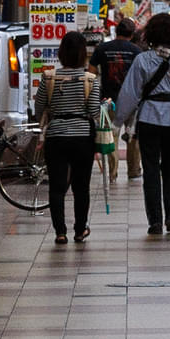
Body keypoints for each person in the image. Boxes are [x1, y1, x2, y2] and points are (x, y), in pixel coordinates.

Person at [122, 13, 170, 236]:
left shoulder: (142, 60)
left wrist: (119, 121)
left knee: (151, 168)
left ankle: (155, 220)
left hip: (149, 118)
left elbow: (130, 93)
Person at [35, 30, 103, 244]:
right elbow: (94, 110)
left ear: (61, 53)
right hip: (82, 136)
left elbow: (39, 108)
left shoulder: (48, 78)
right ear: (84, 54)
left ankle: (60, 232)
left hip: (55, 136)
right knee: (81, 186)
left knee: (56, 186)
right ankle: (80, 229)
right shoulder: (91, 80)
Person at [97, 18, 143, 178]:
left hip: (109, 102)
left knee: (110, 137)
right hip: (132, 102)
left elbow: (90, 72)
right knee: (133, 137)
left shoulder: (102, 48)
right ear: (131, 34)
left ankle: (112, 173)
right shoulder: (137, 51)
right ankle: (133, 170)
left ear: (116, 31)